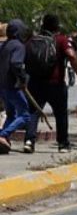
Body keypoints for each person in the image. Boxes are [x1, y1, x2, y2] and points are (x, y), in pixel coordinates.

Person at [22, 14, 77, 153]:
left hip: (35, 83)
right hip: (55, 84)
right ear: (57, 26)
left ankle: (29, 141)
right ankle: (63, 144)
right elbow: (72, 55)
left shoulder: (32, 40)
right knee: (61, 114)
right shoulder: (61, 40)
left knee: (33, 112)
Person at [0, 20, 31, 153]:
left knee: (11, 114)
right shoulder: (18, 46)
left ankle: (4, 138)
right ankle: (3, 134)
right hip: (12, 86)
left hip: (3, 85)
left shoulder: (4, 45)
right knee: (25, 115)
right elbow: (16, 64)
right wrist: (22, 79)